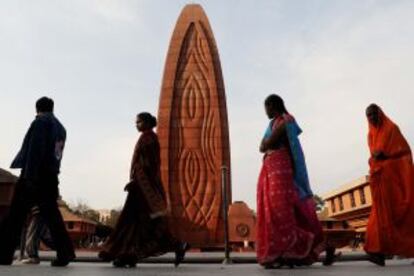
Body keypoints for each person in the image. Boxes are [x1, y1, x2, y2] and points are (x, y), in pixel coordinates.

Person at [99, 112, 189, 268]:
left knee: (138, 222)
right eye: (136, 122)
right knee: (138, 223)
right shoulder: (149, 138)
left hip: (143, 188)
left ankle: (127, 253)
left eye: (139, 122)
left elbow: (146, 166)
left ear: (147, 123)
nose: (136, 125)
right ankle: (128, 255)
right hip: (144, 187)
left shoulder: (147, 138)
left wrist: (135, 182)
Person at [0, 97, 75, 266]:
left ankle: (3, 254)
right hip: (51, 175)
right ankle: (66, 253)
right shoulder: (61, 128)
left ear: (37, 109)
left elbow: (35, 149)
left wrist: (29, 176)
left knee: (15, 216)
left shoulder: (40, 122)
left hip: (34, 176)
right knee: (53, 217)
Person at [256, 94, 324, 269]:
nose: (266, 111)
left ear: (273, 105)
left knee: (281, 211)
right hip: (270, 168)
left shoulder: (286, 120)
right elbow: (261, 147)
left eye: (267, 107)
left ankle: (289, 250)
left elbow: (268, 143)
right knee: (271, 210)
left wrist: (267, 144)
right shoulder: (272, 124)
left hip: (281, 168)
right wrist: (267, 144)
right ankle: (277, 254)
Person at [364, 104, 414, 266]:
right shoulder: (370, 134)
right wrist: (375, 160)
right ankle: (376, 251)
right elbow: (373, 156)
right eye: (368, 116)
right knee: (379, 215)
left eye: (373, 114)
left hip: (394, 180)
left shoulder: (392, 129)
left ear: (380, 113)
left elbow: (405, 153)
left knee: (400, 217)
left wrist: (386, 155)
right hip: (380, 180)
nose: (371, 118)